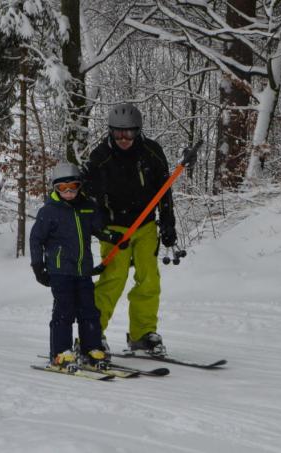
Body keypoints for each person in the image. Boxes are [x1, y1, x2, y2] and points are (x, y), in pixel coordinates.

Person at [82, 103, 177, 356]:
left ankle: (142, 335)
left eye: (129, 133)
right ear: (110, 131)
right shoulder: (100, 157)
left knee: (149, 279)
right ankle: (92, 334)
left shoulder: (152, 152)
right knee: (113, 279)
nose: (124, 139)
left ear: (138, 131)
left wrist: (168, 222)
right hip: (115, 228)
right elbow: (91, 201)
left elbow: (164, 191)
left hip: (145, 225)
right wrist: (103, 231)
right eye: (118, 133)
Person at [29, 162, 125, 370]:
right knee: (64, 311)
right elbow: (36, 239)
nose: (69, 192)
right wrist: (38, 266)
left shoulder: (88, 207)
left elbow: (99, 229)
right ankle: (60, 352)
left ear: (79, 186)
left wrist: (115, 237)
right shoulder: (49, 211)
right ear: (55, 189)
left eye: (73, 186)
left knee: (89, 311)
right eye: (62, 188)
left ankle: (91, 349)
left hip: (83, 271)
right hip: (60, 271)